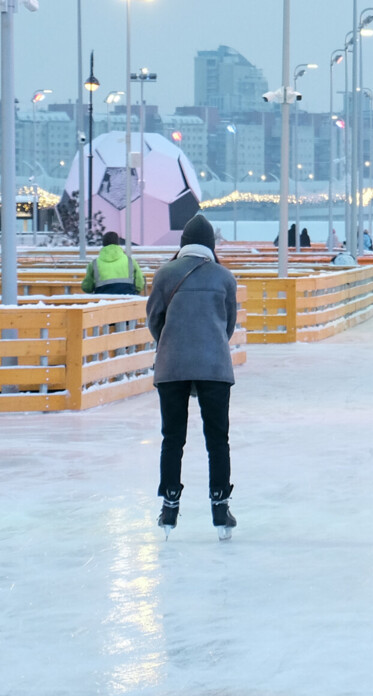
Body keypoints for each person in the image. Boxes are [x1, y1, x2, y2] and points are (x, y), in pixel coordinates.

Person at [146, 213, 240, 539]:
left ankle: (169, 505)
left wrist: (171, 343)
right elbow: (228, 324)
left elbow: (154, 320)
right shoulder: (225, 278)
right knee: (218, 440)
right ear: (211, 246)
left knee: (172, 438)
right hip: (214, 366)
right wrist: (211, 344)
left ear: (183, 244)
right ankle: (220, 507)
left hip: (172, 366)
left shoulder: (164, 275)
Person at [81, 231, 146, 295]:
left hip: (102, 302)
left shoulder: (94, 264)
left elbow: (87, 287)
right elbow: (140, 284)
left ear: (103, 243)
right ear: (118, 243)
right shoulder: (130, 261)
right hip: (128, 300)